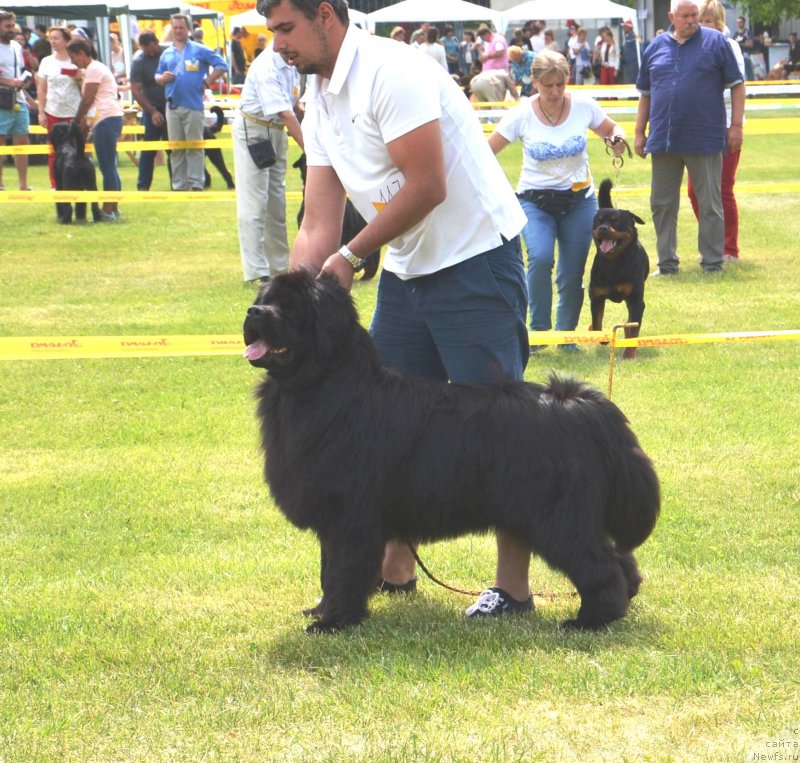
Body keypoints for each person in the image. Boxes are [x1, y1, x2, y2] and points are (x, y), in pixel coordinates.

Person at [260, 0, 534, 618]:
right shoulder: (320, 96)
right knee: (380, 422)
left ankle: (513, 590)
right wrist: (293, 306)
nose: (278, 46)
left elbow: (427, 185)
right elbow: (318, 220)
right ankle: (393, 566)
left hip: (473, 259)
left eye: (285, 29)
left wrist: (352, 257)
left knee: (501, 427)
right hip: (408, 271)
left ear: (325, 15)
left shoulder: (394, 70)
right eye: (272, 32)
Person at [489, 49, 627, 345]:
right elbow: (485, 152)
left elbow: (610, 128)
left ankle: (567, 337)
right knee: (539, 258)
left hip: (580, 201)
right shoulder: (521, 113)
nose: (554, 92)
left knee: (571, 272)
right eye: (547, 85)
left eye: (560, 85)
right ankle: (538, 334)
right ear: (534, 83)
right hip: (534, 201)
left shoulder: (583, 106)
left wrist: (617, 137)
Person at [635, 0, 744, 274]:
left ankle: (712, 262)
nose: (692, 21)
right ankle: (667, 263)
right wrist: (639, 132)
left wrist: (737, 126)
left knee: (710, 203)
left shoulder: (717, 43)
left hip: (704, 137)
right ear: (672, 17)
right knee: (661, 204)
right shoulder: (656, 46)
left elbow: (737, 86)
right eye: (685, 16)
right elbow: (645, 94)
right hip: (663, 138)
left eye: (695, 15)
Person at [232, 46, 303, 283]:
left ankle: (280, 268)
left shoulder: (293, 61)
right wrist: (312, 152)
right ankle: (255, 272)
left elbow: (295, 106)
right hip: (254, 130)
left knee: (276, 203)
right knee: (254, 203)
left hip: (277, 132)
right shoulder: (266, 66)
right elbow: (286, 113)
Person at [687, 0, 745, 262]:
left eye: (711, 20)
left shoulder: (729, 46)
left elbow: (737, 87)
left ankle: (729, 248)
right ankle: (712, 242)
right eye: (702, 20)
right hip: (696, 129)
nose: (706, 25)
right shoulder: (690, 44)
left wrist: (736, 126)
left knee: (722, 189)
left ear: (720, 22)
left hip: (724, 127)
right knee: (694, 191)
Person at [155, 14, 227, 191]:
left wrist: (207, 81)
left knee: (195, 146)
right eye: (175, 27)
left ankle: (196, 183)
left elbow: (222, 65)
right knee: (176, 147)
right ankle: (179, 184)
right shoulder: (166, 53)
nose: (178, 31)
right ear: (172, 29)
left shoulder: (199, 49)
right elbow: (157, 76)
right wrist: (162, 78)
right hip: (172, 106)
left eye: (181, 27)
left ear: (188, 29)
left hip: (193, 105)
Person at [66, 36, 123, 221]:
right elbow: (92, 105)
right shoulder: (97, 68)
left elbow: (87, 100)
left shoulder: (93, 69)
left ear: (81, 53)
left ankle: (107, 210)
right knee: (110, 167)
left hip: (106, 120)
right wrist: (85, 124)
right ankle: (114, 208)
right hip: (108, 118)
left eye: (73, 57)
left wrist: (75, 122)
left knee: (107, 167)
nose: (72, 62)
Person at [35, 26, 80, 190]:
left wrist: (78, 77)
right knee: (54, 151)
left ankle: (75, 183)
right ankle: (56, 184)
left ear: (67, 40)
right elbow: (41, 89)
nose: (52, 41)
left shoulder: (75, 60)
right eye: (50, 38)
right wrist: (41, 112)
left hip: (74, 112)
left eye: (56, 38)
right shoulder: (46, 61)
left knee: (75, 149)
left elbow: (84, 85)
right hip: (53, 111)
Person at [129, 30, 168, 191]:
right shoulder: (138, 61)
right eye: (146, 50)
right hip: (151, 107)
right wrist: (152, 112)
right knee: (148, 150)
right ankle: (143, 186)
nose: (150, 53)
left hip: (171, 106)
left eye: (152, 49)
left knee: (175, 147)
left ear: (157, 42)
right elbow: (136, 90)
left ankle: (178, 184)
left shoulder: (168, 53)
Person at [0, 10, 31, 191]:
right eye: (7, 26)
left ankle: (23, 184)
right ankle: (1, 182)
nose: (11, 29)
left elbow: (18, 72)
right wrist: (8, 82)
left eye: (13, 25)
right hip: (1, 99)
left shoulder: (16, 47)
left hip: (18, 99)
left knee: (22, 140)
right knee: (1, 141)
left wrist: (22, 85)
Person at [619, 20, 639, 84]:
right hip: (627, 65)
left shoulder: (634, 37)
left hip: (633, 66)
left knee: (632, 82)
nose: (623, 28)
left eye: (624, 27)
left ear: (629, 27)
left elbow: (640, 51)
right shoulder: (626, 37)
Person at [734, 16, 753, 80]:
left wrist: (739, 44)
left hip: (746, 55)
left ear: (744, 23)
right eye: (737, 22)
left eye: (740, 22)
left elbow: (750, 44)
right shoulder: (736, 34)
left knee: (747, 71)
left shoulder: (747, 33)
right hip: (738, 55)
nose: (738, 24)